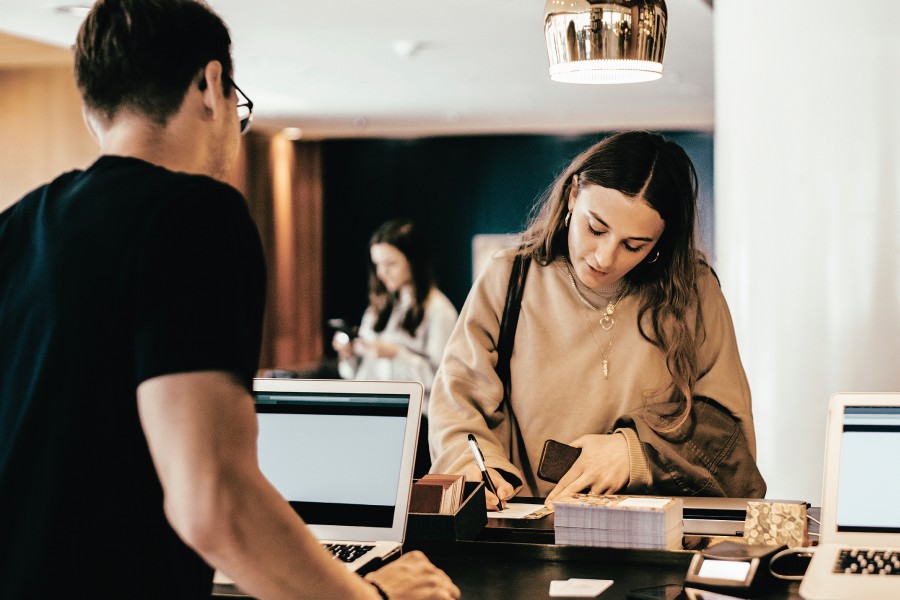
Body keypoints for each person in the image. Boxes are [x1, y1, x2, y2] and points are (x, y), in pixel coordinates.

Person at [0, 1, 459, 599]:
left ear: (93, 108)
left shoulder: (15, 228)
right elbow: (214, 498)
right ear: (212, 85)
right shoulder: (196, 215)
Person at [428, 131, 766, 510]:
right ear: (573, 195)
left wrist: (633, 454)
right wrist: (478, 470)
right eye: (596, 228)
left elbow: (729, 438)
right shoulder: (509, 278)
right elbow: (457, 404)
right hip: (528, 529)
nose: (605, 258)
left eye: (634, 245)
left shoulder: (693, 291)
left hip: (655, 537)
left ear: (661, 241)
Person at [334, 218, 458, 477]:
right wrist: (349, 357)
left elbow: (443, 381)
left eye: (391, 264)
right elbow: (357, 374)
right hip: (371, 415)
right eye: (378, 265)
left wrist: (395, 354)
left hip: (414, 423)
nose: (382, 273)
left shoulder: (439, 311)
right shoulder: (379, 308)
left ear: (413, 262)